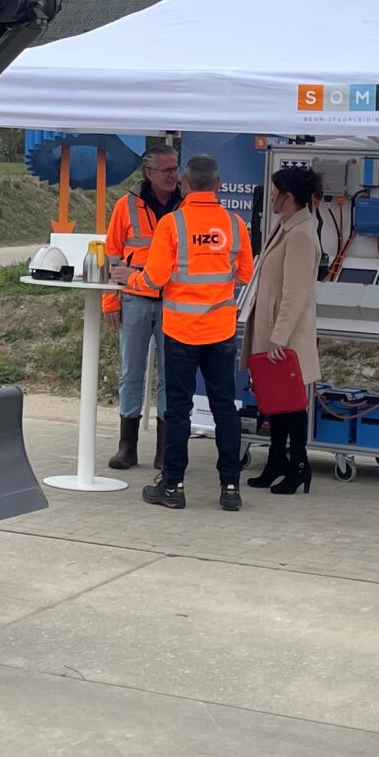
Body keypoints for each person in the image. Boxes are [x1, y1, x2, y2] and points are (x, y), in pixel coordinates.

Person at [132, 152, 254, 511]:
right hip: (220, 332)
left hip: (181, 332)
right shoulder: (235, 225)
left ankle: (173, 486)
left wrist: (131, 279)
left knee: (178, 410)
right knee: (224, 409)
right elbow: (245, 275)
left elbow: (154, 279)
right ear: (218, 185)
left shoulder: (172, 224)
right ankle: (230, 488)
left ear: (185, 183)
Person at [101, 143, 181, 469]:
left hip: (174, 302)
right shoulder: (126, 206)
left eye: (175, 168)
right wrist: (110, 300)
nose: (174, 175)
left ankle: (164, 451)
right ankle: (127, 448)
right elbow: (111, 254)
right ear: (149, 173)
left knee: (170, 377)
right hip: (134, 300)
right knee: (131, 373)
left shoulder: (186, 205)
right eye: (167, 170)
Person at [246, 165, 324, 494]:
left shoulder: (303, 234)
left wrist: (279, 336)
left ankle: (299, 465)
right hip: (272, 328)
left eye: (276, 192)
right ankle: (277, 459)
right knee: (274, 400)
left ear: (288, 196)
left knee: (290, 403)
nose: (272, 197)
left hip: (285, 334)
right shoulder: (287, 226)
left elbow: (295, 291)